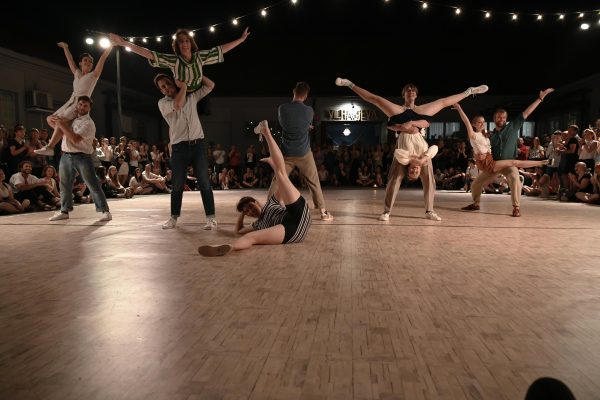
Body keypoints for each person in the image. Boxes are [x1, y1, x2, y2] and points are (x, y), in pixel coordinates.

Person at [335, 77, 489, 221]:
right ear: (404, 94)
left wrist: (413, 125)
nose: (411, 91)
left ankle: (429, 211)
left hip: (420, 148)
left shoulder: (421, 111)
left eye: (413, 90)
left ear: (416, 95)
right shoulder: (397, 111)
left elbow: (440, 107)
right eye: (408, 90)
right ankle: (387, 211)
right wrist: (402, 127)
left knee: (429, 180)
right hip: (405, 149)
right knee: (394, 179)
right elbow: (379, 108)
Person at [198, 120, 312, 257]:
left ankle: (266, 132)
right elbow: (238, 231)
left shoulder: (272, 202)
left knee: (282, 175)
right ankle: (228, 248)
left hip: (300, 214)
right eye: (247, 211)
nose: (250, 211)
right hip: (291, 230)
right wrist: (242, 213)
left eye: (250, 207)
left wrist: (274, 166)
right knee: (250, 237)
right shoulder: (258, 225)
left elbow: (282, 181)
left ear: (256, 202)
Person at [461, 88, 554, 217]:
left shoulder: (512, 127)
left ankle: (516, 207)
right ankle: (476, 204)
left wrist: (540, 98)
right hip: (494, 165)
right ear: (494, 118)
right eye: (499, 117)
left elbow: (527, 112)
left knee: (515, 178)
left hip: (509, 165)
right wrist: (477, 155)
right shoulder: (490, 135)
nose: (502, 119)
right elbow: (480, 146)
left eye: (504, 117)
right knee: (476, 184)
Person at [154, 73, 217, 230]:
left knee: (204, 182)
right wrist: (184, 87)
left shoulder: (191, 97)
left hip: (198, 145)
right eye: (162, 87)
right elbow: (178, 104)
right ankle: (173, 218)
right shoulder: (163, 103)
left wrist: (195, 71)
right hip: (179, 148)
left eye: (167, 84)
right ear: (161, 91)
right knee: (177, 184)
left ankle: (211, 218)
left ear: (173, 82)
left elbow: (210, 85)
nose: (166, 88)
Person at [109, 28, 249, 93]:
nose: (185, 44)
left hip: (198, 93)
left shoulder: (199, 56)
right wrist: (124, 43)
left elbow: (220, 50)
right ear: (177, 45)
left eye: (187, 41)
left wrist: (241, 40)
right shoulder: (174, 60)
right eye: (181, 41)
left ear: (191, 43)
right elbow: (150, 54)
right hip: (182, 94)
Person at [267, 81, 333, 221]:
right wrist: (306, 127)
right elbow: (302, 124)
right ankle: (323, 212)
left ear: (294, 91)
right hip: (303, 153)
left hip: (286, 153)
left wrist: (303, 127)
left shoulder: (282, 108)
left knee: (278, 179)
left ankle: (268, 209)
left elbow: (284, 126)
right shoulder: (309, 111)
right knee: (314, 181)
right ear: (306, 95)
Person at [35, 42, 113, 156]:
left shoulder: (94, 75)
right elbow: (70, 60)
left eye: (90, 61)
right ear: (80, 63)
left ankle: (50, 146)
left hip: (80, 103)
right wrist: (65, 48)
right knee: (50, 119)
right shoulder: (77, 73)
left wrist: (111, 45)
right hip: (71, 100)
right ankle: (66, 134)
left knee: (61, 121)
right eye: (86, 60)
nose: (88, 62)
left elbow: (103, 58)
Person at [48, 96, 112, 222]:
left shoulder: (88, 123)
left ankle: (105, 211)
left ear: (89, 108)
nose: (82, 107)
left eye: (85, 105)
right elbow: (57, 127)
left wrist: (61, 124)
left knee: (92, 183)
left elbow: (75, 139)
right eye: (80, 104)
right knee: (64, 185)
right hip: (66, 155)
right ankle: (64, 211)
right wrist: (55, 121)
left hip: (82, 156)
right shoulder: (70, 119)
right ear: (77, 105)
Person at [453, 103, 550, 173]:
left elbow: (484, 144)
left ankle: (542, 162)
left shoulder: (485, 134)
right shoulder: (473, 135)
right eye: (479, 122)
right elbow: (466, 121)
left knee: (477, 185)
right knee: (514, 162)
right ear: (473, 124)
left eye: (483, 122)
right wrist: (459, 108)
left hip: (488, 160)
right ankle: (542, 162)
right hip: (486, 163)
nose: (482, 124)